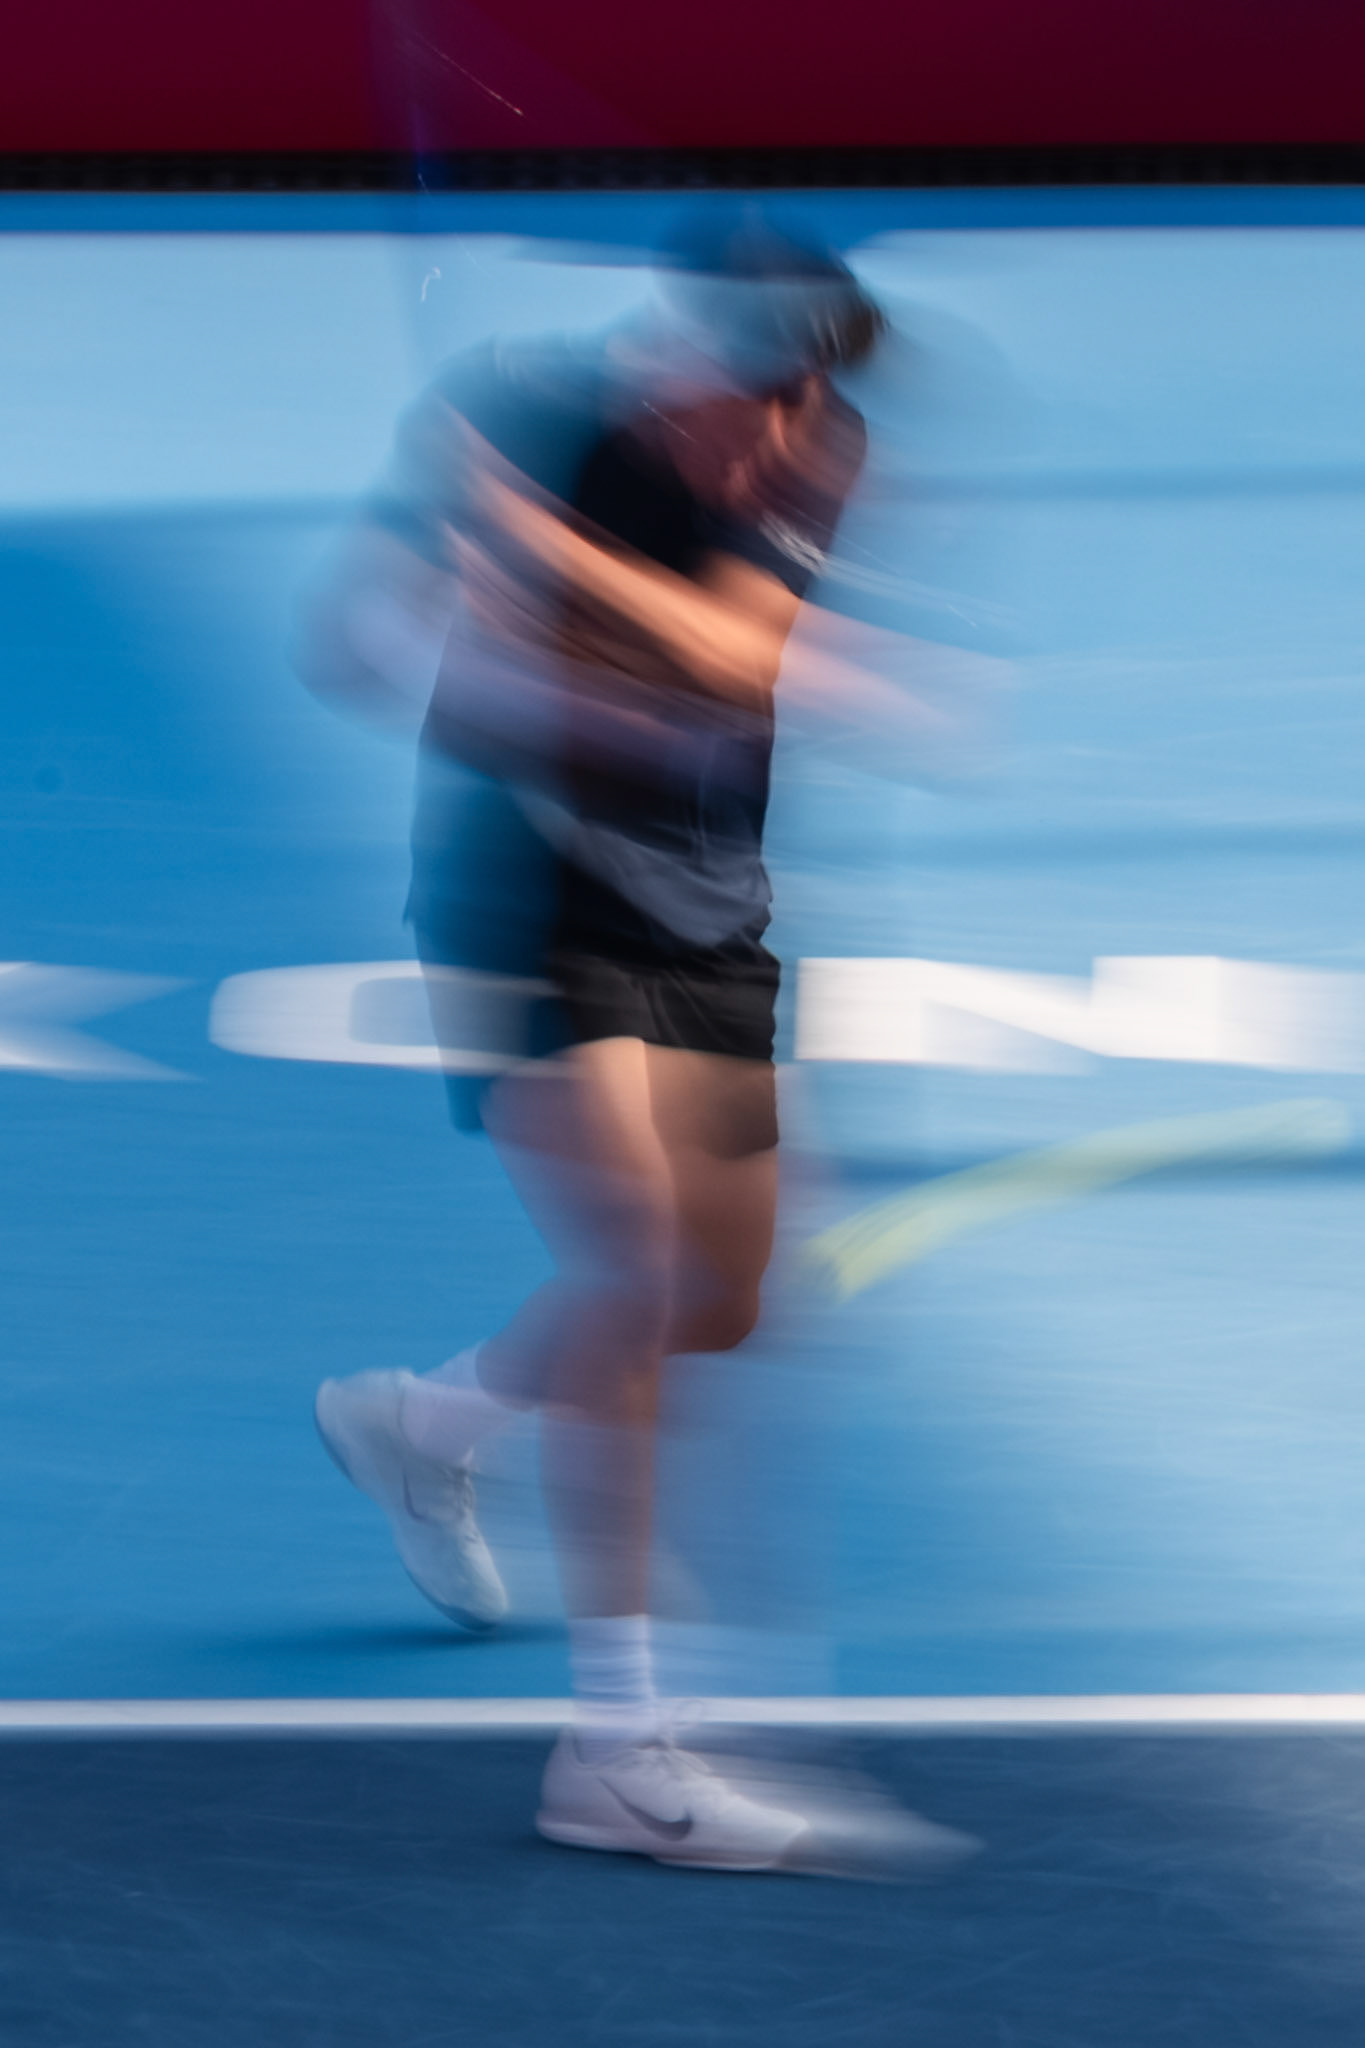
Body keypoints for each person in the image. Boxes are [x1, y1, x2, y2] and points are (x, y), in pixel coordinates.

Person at [303, 214, 972, 1874]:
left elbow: (735, 665)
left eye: (809, 394)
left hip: (710, 904)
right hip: (538, 896)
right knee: (638, 1276)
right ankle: (619, 1751)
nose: (785, 434)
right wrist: (472, 616)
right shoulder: (531, 417)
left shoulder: (817, 441)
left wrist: (539, 559)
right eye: (759, 395)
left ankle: (429, 1427)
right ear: (690, 364)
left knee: (726, 1308)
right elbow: (358, 651)